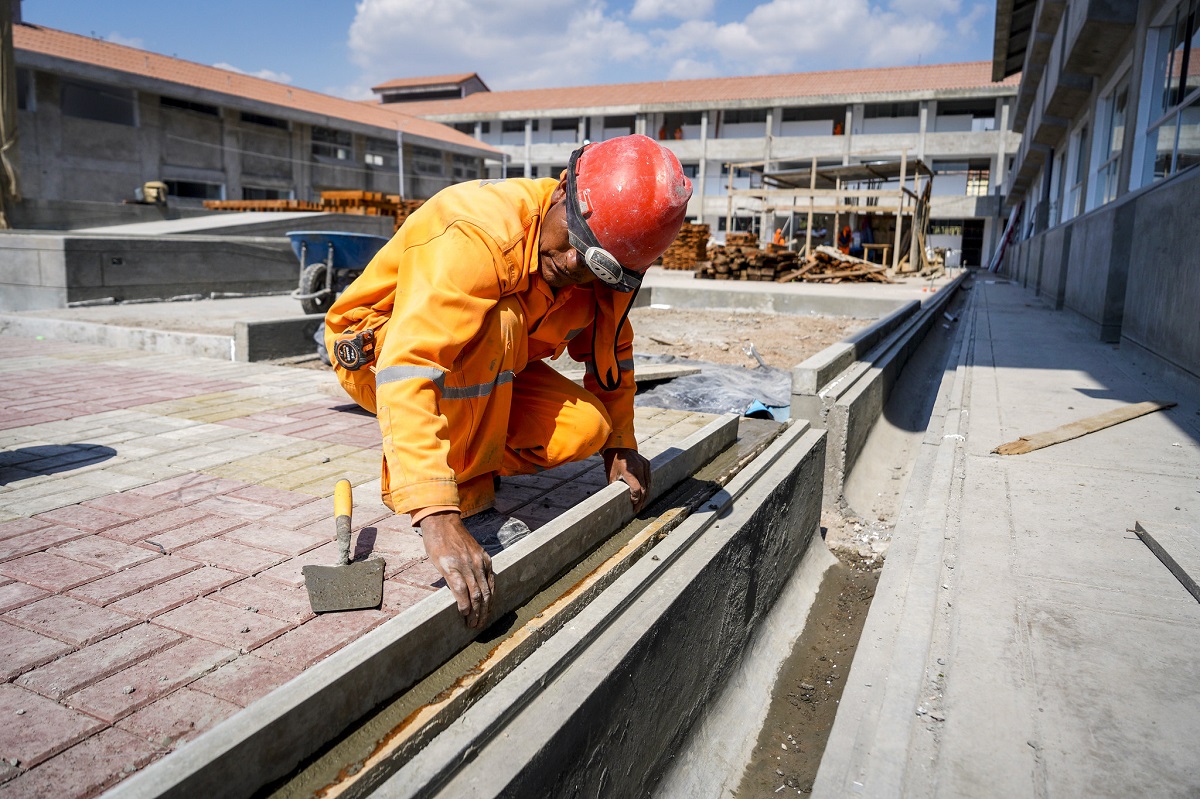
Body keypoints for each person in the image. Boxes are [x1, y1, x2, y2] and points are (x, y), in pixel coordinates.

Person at [324, 134, 692, 629]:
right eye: (575, 243)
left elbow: (612, 351)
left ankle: (464, 446)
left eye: (597, 265)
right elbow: (410, 364)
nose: (571, 266)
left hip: (486, 364)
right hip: (377, 352)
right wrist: (436, 513)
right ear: (563, 190)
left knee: (586, 428)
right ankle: (468, 496)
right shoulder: (477, 233)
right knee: (502, 324)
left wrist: (622, 444)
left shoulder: (598, 274)